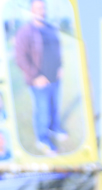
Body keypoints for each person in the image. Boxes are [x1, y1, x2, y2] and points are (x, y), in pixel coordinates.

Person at [14, 0, 68, 154]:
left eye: (43, 8)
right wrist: (35, 77)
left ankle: (54, 128)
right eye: (37, 8)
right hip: (38, 81)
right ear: (31, 10)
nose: (41, 11)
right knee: (42, 111)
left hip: (54, 77)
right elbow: (20, 58)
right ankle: (42, 140)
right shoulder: (25, 32)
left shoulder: (50, 28)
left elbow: (57, 49)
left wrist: (60, 66)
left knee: (54, 106)